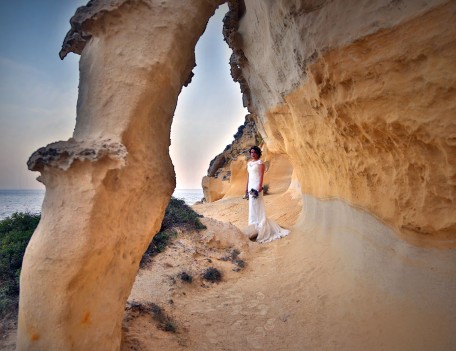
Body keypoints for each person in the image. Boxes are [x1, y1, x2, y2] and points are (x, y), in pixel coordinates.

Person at [245, 146, 290, 243]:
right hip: (250, 186)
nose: (252, 154)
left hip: (257, 187)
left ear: (258, 153)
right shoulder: (249, 164)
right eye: (251, 152)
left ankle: (261, 225)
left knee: (257, 205)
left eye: (254, 152)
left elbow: (261, 176)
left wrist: (259, 187)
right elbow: (248, 177)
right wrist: (246, 189)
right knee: (252, 206)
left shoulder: (260, 163)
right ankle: (254, 225)